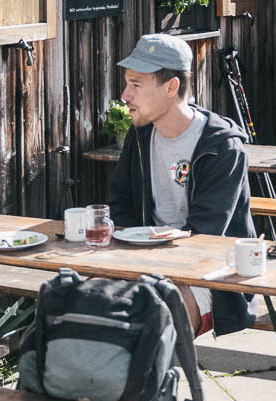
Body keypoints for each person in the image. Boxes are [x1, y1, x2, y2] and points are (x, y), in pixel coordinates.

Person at [108, 33, 256, 336]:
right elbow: (119, 201)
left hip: (210, 272)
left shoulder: (223, 147)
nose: (125, 94)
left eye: (136, 84)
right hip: (146, 262)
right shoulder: (140, 136)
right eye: (127, 83)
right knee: (86, 310)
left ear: (171, 87)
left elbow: (205, 234)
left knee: (155, 329)